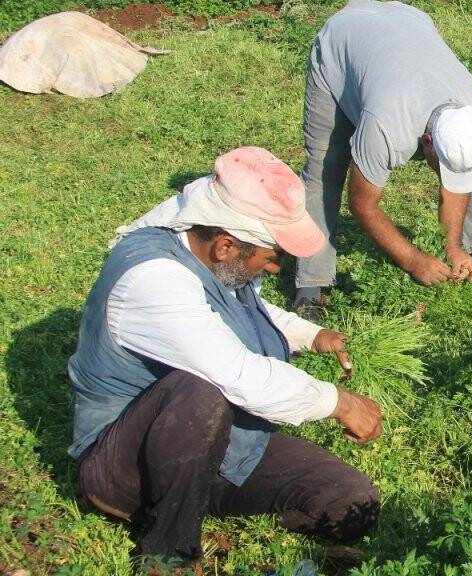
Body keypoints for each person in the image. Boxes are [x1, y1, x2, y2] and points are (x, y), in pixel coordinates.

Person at [68, 146, 384, 564]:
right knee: (202, 391)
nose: (275, 270)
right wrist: (338, 402)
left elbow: (244, 307)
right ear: (226, 247)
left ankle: (196, 504)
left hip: (213, 443)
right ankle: (169, 554)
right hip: (125, 461)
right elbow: (237, 375)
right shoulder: (154, 280)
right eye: (273, 260)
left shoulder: (215, 256)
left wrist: (309, 334)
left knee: (351, 502)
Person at [293, 0, 472, 312]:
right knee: (325, 167)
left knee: (466, 157)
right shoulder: (386, 128)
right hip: (344, 39)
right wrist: (411, 260)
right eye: (444, 168)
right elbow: (361, 204)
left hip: (407, 20)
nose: (448, 180)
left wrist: (453, 246)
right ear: (425, 142)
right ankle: (310, 286)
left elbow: (461, 176)